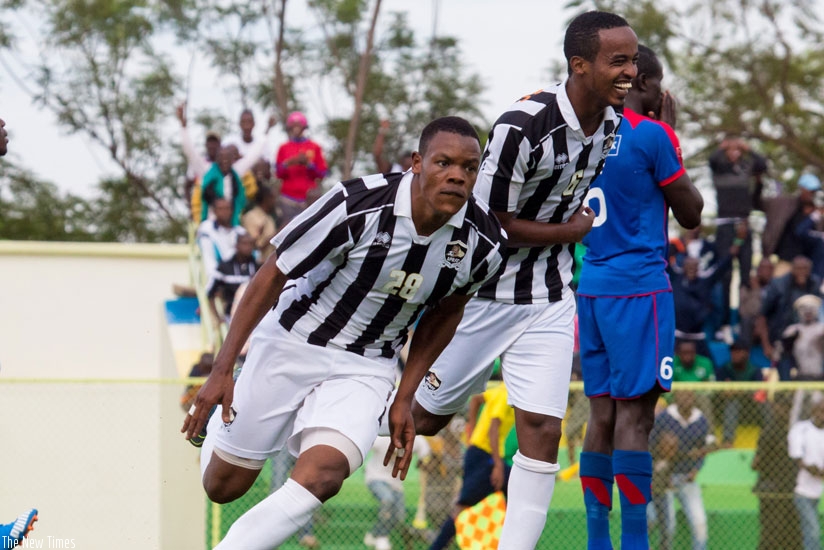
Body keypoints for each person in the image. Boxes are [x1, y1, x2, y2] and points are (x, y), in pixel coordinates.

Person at [181, 116, 506, 550]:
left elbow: (445, 314)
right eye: (443, 162)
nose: (456, 176)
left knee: (324, 475)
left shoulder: (484, 243)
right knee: (223, 487)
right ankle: (237, 416)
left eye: (469, 167)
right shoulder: (356, 203)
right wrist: (223, 367)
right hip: (293, 339)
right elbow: (273, 272)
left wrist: (405, 396)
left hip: (367, 364)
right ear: (416, 163)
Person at [383, 12, 639, 550]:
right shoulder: (521, 125)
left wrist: (567, 239)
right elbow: (487, 221)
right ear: (579, 64)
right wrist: (569, 231)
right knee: (424, 420)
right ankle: (344, 402)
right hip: (479, 296)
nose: (630, 71)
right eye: (618, 60)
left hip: (549, 296)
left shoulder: (612, 124)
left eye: (632, 59)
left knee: (544, 430)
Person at [575, 43, 703, 549]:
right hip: (639, 289)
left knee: (601, 415)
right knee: (636, 416)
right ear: (644, 84)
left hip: (592, 288)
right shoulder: (652, 135)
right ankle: (634, 543)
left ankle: (596, 541)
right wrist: (670, 135)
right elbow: (691, 212)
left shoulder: (584, 135)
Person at [429, 383, 515, 550]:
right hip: (485, 457)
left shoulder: (501, 390)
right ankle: (437, 547)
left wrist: (472, 431)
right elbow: (493, 429)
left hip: (485, 455)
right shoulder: (505, 395)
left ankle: (517, 543)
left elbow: (476, 400)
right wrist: (497, 465)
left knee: (517, 495)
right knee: (462, 507)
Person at [709, 135, 769, 330]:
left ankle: (743, 322)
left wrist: (748, 148)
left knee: (745, 274)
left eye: (737, 150)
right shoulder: (719, 168)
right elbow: (711, 160)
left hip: (744, 224)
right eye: (730, 150)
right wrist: (722, 146)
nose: (734, 153)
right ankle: (725, 323)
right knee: (725, 275)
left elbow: (762, 164)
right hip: (725, 225)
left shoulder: (745, 168)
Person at [648, 391, 715, 550]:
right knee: (667, 524)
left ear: (695, 398)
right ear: (676, 397)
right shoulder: (664, 418)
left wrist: (696, 468)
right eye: (682, 395)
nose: (686, 398)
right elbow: (650, 446)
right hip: (664, 479)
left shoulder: (700, 420)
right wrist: (661, 465)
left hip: (687, 479)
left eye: (690, 395)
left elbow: (703, 449)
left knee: (700, 524)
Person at [755, 255, 822, 379]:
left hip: (808, 341)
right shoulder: (778, 284)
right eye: (798, 268)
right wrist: (766, 345)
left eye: (805, 268)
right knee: (785, 377)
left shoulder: (814, 283)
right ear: (792, 269)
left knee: (810, 376)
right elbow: (762, 315)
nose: (801, 272)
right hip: (783, 340)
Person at [363, 435, 431, 550]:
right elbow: (365, 443)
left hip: (396, 482)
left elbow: (425, 455)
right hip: (376, 477)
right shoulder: (384, 438)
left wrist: (423, 463)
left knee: (399, 516)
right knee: (387, 499)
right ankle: (381, 537)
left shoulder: (417, 440)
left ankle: (373, 534)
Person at [751, 392, 801, 550]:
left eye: (788, 408)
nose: (785, 411)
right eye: (782, 407)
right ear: (774, 407)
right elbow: (756, 463)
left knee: (792, 536)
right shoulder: (770, 431)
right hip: (772, 490)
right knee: (772, 535)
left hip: (788, 489)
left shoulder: (795, 431)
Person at [274, 111, 328, 228]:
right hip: (288, 200)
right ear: (289, 127)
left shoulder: (314, 147)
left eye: (299, 126)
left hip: (309, 201)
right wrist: (289, 163)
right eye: (293, 126)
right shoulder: (283, 148)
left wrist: (309, 164)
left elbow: (322, 173)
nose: (296, 129)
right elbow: (278, 173)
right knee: (289, 230)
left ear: (304, 127)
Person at [789, 398, 824, 550]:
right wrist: (811, 469)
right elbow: (797, 457)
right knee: (813, 531)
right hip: (803, 489)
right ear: (813, 410)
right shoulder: (801, 428)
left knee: (809, 531)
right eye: (821, 411)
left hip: (819, 489)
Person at [715, 340, 764, 447]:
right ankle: (727, 441)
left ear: (746, 353)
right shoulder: (724, 369)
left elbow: (758, 392)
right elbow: (718, 392)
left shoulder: (754, 370)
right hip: (727, 409)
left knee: (765, 404)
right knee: (732, 402)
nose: (735, 355)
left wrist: (737, 391)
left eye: (739, 351)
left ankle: (768, 438)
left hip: (751, 408)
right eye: (733, 352)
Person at [206, 233, 260, 324]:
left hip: (255, 319)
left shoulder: (259, 267)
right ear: (236, 246)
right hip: (231, 318)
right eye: (244, 243)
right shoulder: (224, 267)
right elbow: (210, 292)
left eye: (251, 244)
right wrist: (217, 317)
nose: (248, 247)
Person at [195, 198, 248, 283]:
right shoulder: (206, 228)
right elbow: (209, 261)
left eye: (227, 208)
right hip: (217, 280)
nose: (224, 212)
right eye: (220, 209)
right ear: (214, 211)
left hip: (241, 279)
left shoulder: (240, 231)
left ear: (232, 210)